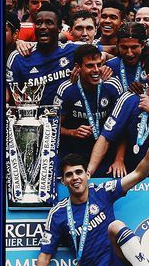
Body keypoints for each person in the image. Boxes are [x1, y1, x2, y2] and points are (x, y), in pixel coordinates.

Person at [15, 121, 149, 266]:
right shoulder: (58, 213)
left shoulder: (102, 191)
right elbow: (45, 254)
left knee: (115, 225)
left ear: (87, 175)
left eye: (78, 172)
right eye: (69, 175)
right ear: (63, 181)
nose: (75, 178)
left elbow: (138, 174)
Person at [52, 43, 123, 172]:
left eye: (99, 64)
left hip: (106, 156)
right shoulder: (67, 89)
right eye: (90, 66)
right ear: (78, 67)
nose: (96, 70)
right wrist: (72, 132)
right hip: (73, 156)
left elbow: (122, 127)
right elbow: (53, 127)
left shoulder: (112, 86)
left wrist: (119, 160)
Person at [5, 2, 76, 105]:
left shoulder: (72, 51)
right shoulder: (19, 57)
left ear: (59, 29)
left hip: (64, 117)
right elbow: (12, 99)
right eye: (38, 23)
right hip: (30, 118)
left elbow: (99, 53)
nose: (42, 27)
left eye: (49, 22)